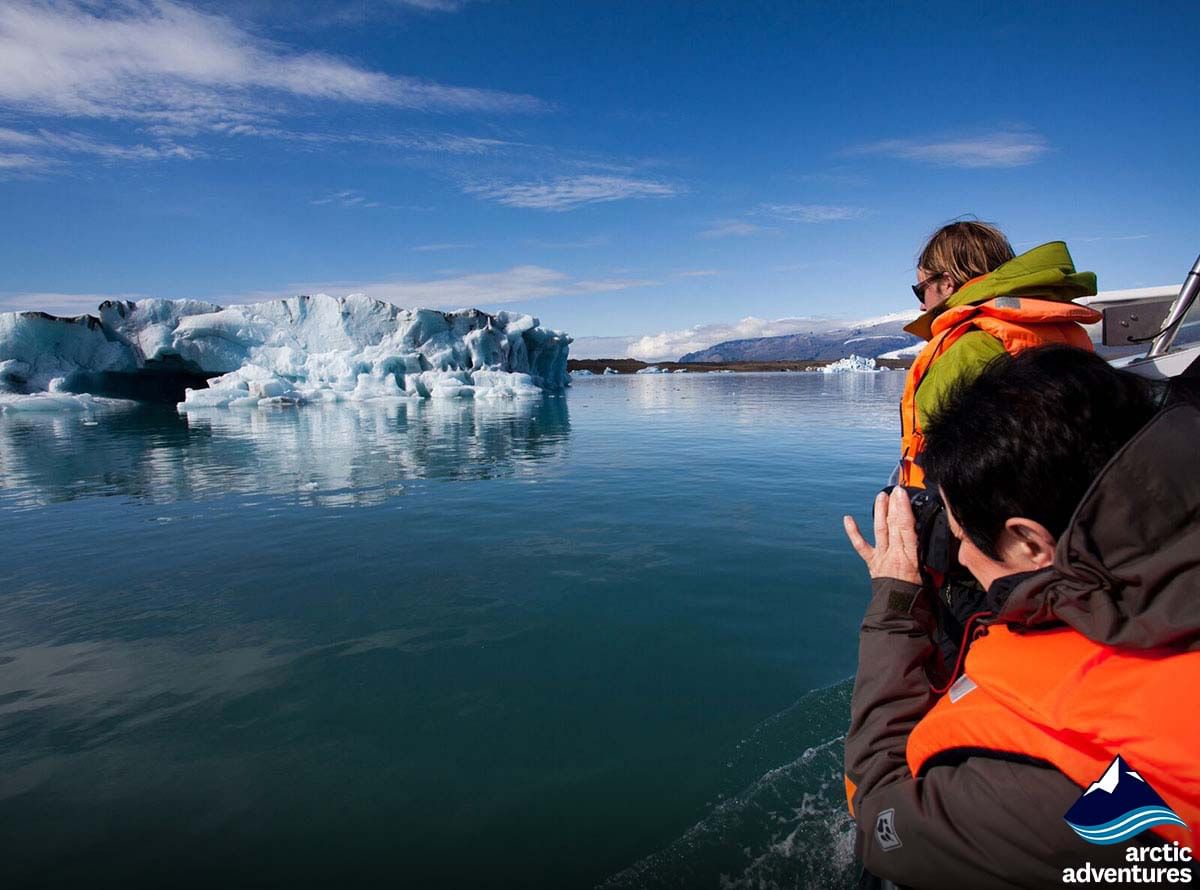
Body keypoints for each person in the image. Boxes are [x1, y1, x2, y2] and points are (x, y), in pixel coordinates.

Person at [841, 346, 1200, 889]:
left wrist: (894, 604)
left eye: (961, 537)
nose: (959, 556)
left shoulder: (1056, 788)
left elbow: (884, 820)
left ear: (1031, 542)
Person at [898, 221, 1101, 489]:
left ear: (946, 284)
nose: (922, 304)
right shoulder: (1049, 330)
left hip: (975, 519)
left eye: (920, 289)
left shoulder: (969, 351)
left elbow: (954, 466)